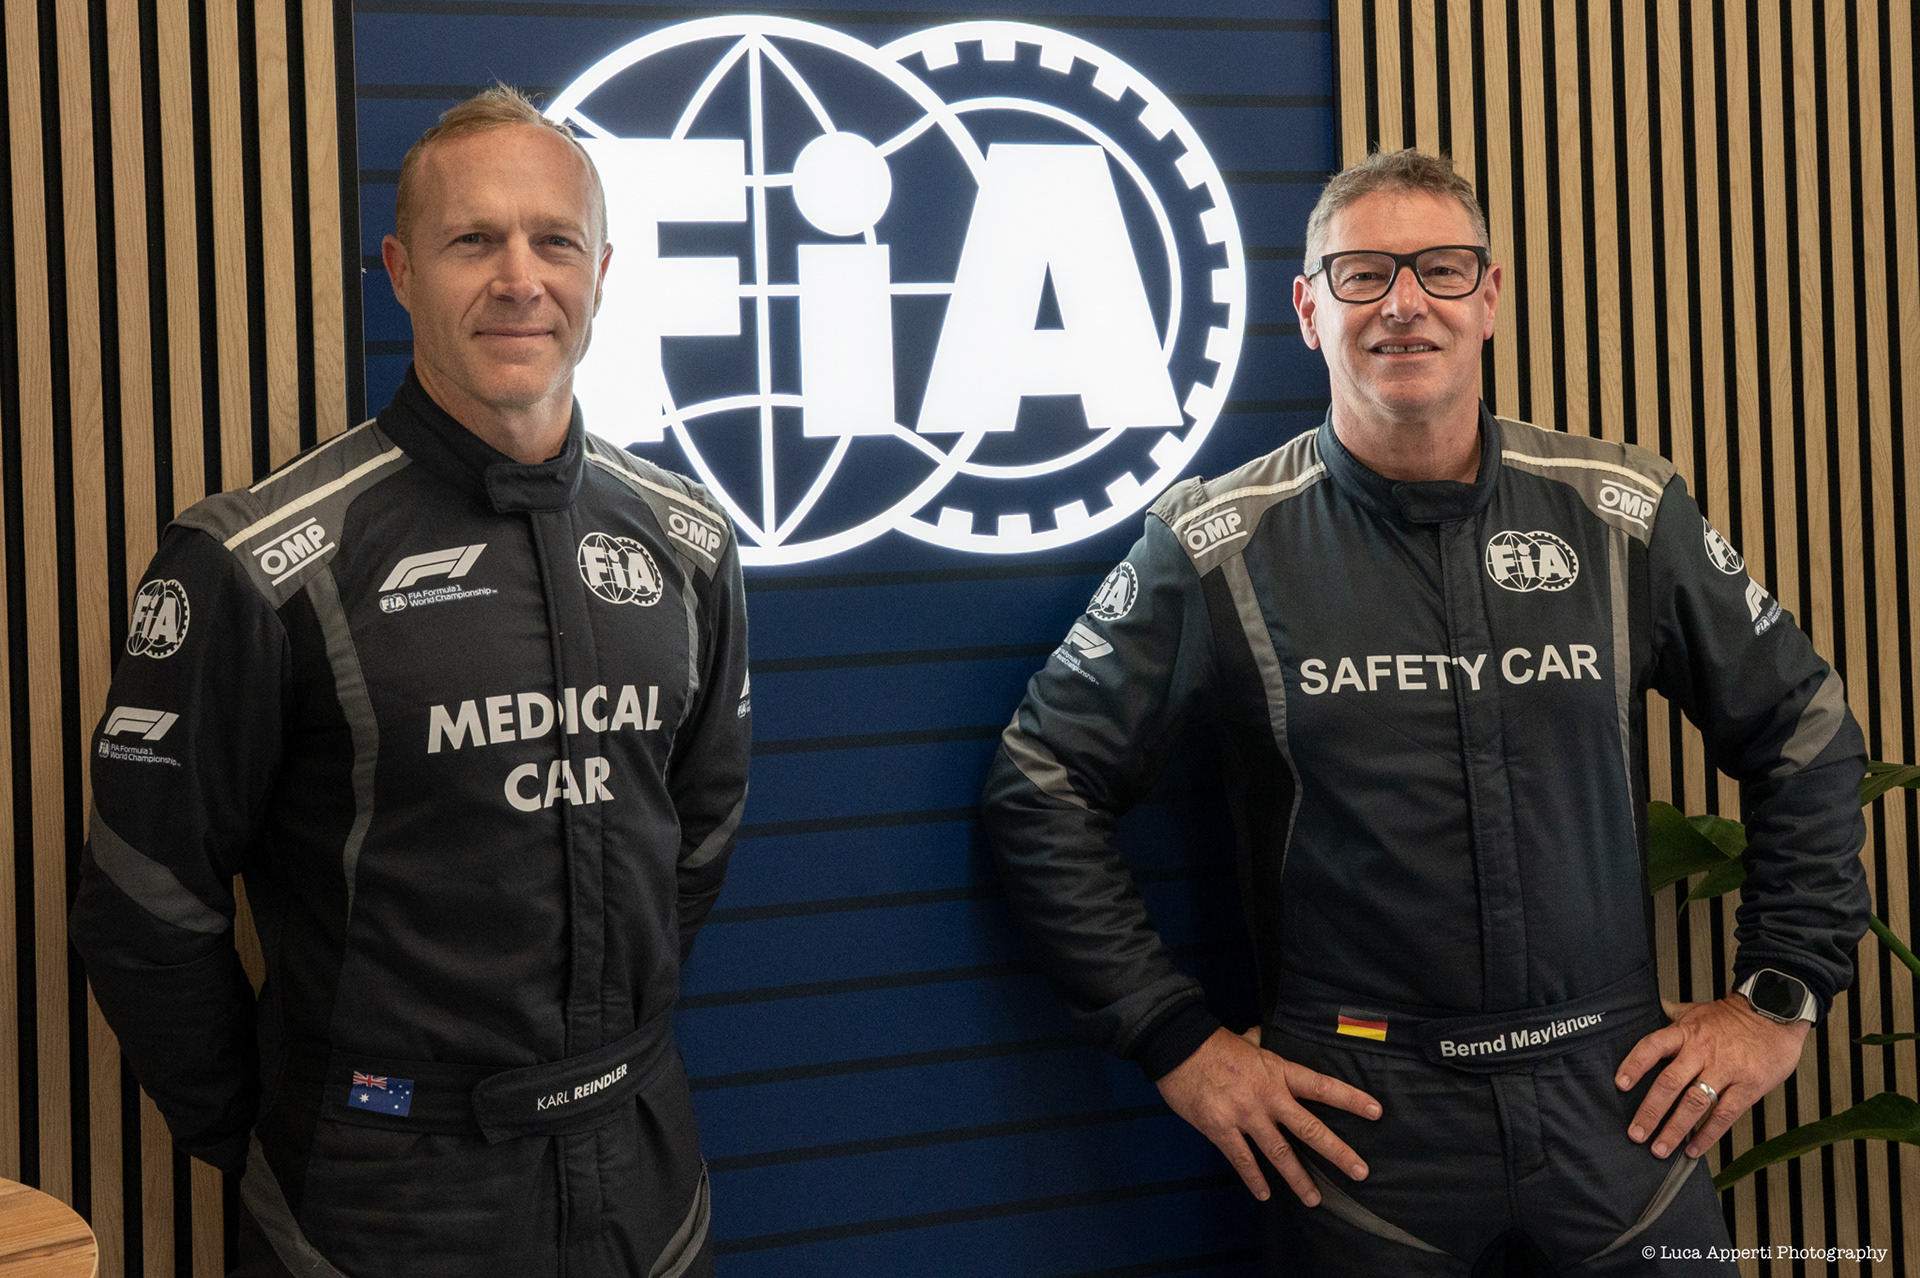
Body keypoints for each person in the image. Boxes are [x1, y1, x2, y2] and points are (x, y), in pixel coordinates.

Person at [981, 148, 1868, 1275]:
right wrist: (1176, 1040)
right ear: (1310, 310)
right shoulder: (1216, 546)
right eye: (1362, 275)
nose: (1404, 303)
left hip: (1618, 1104)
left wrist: (1779, 997)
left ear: (1488, 297)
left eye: (1442, 269)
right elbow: (1042, 784)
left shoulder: (1622, 511)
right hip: (1358, 1121)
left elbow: (1804, 727)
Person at [71, 87, 750, 1277]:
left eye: (554, 241)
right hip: (378, 1200)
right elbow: (146, 904)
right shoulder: (262, 564)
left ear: (602, 271)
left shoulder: (688, 544)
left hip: (644, 1175)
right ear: (400, 271)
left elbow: (696, 838)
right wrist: (269, 1132)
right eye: (472, 240)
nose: (520, 279)